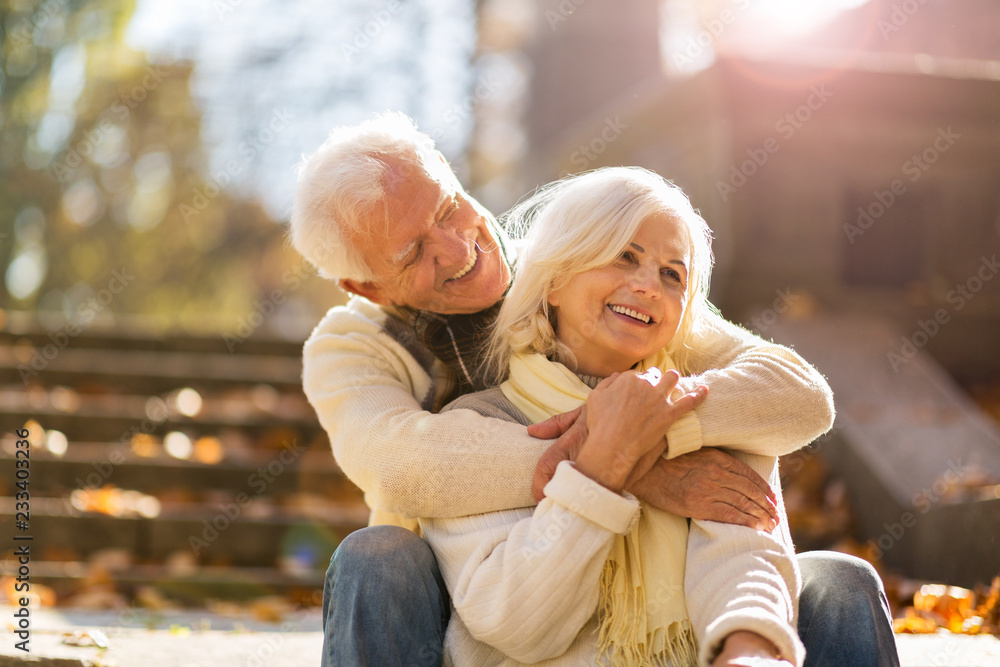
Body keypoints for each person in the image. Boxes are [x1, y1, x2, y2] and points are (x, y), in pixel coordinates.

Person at [289, 113, 899, 666]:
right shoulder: (350, 346)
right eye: (414, 251)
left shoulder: (584, 262)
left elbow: (794, 394)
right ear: (368, 287)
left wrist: (659, 427)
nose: (456, 247)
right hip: (471, 592)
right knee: (375, 560)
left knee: (840, 583)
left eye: (448, 208)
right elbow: (405, 464)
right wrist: (619, 458)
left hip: (660, 608)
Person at [418, 166, 809, 666]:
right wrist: (602, 466)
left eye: (672, 274)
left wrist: (748, 650)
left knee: (843, 581)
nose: (649, 286)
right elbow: (517, 625)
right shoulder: (475, 425)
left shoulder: (715, 410)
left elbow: (742, 556)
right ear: (555, 280)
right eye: (625, 256)